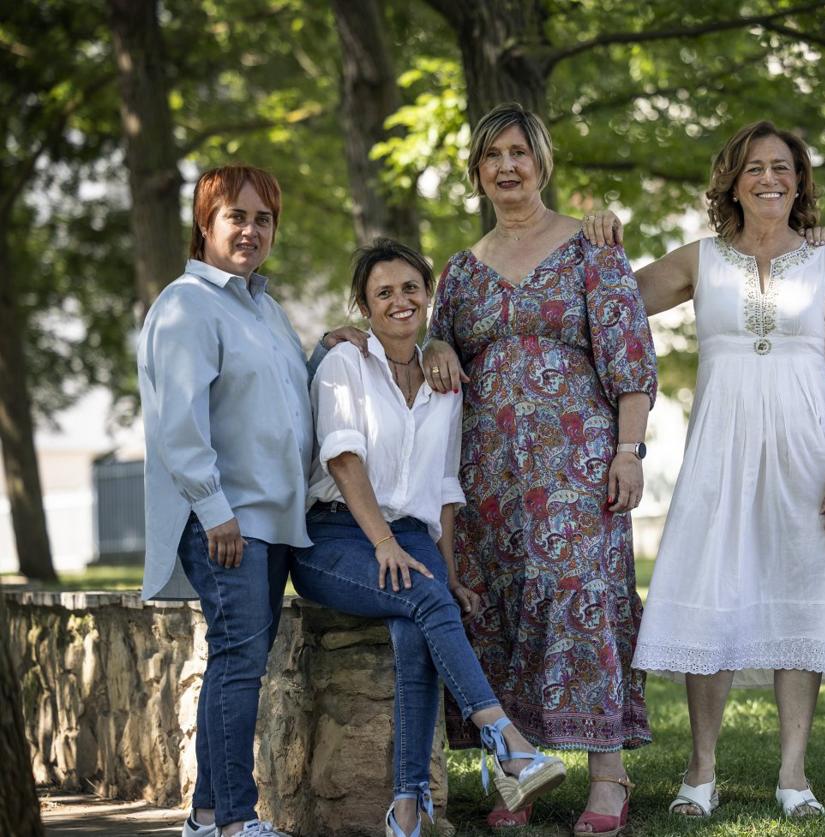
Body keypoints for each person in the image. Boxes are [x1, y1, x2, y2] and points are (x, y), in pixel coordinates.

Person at [611, 121, 825, 819]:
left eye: (782, 167)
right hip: (721, 452)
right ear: (733, 180)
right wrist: (595, 237)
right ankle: (700, 771)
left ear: (799, 180)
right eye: (754, 168)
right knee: (712, 592)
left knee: (800, 594)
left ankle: (794, 775)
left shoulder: (824, 260)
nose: (769, 179)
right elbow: (613, 298)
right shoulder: (702, 259)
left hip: (808, 454)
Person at [421, 102, 657, 835]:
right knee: (503, 614)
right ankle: (514, 771)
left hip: (579, 468)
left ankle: (609, 779)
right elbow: (427, 347)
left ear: (541, 161)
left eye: (519, 152)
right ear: (477, 172)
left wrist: (628, 449)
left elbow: (631, 358)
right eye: (492, 156)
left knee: (582, 598)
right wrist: (432, 346)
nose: (507, 166)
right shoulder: (459, 273)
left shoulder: (592, 248)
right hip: (490, 476)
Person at [290, 239, 566, 837]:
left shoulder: (446, 378)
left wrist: (451, 567)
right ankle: (507, 740)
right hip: (335, 535)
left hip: (412, 534)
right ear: (363, 304)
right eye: (383, 292)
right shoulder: (346, 364)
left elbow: (443, 487)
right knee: (422, 598)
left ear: (427, 295)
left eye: (410, 288)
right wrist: (383, 544)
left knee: (420, 624)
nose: (399, 301)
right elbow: (342, 460)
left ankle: (407, 812)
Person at [138, 165, 362, 837]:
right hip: (227, 521)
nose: (251, 229)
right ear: (205, 225)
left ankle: (208, 816)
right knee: (238, 663)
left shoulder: (260, 306)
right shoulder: (187, 305)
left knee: (239, 661)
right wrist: (215, 511)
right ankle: (234, 819)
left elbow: (284, 400)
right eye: (236, 216)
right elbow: (179, 425)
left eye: (263, 218)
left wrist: (325, 349)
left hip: (267, 519)